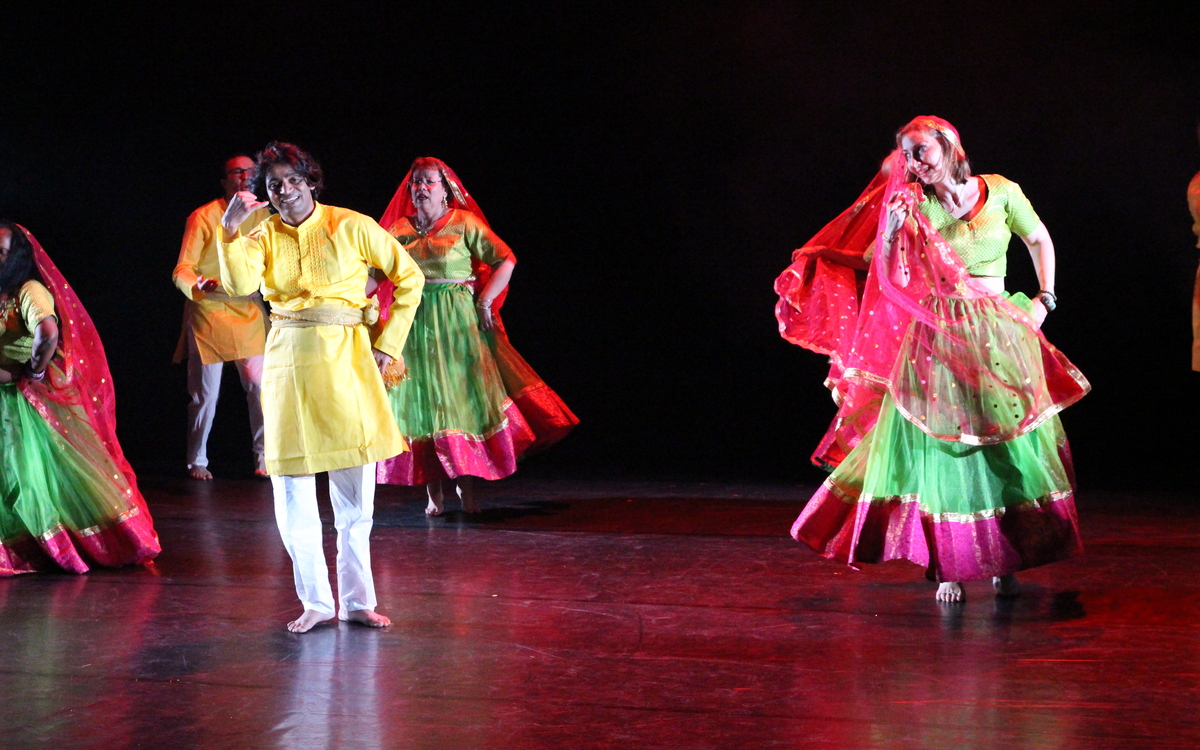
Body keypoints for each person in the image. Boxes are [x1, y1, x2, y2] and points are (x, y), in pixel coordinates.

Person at [775, 117, 1089, 602]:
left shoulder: (1001, 191)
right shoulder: (912, 205)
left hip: (998, 332)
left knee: (1007, 447)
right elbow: (894, 281)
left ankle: (1007, 556)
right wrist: (891, 231)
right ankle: (950, 564)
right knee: (946, 451)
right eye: (906, 155)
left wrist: (1045, 299)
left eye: (920, 151)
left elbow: (1039, 240)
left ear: (948, 146)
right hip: (937, 335)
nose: (912, 163)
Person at [218, 142, 424, 632]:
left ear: (311, 181)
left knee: (355, 497)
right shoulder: (261, 233)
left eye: (293, 180)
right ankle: (315, 601)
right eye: (274, 185)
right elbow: (238, 285)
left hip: (347, 361)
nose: (285, 190)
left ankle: (357, 602)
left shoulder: (351, 225)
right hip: (289, 361)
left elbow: (409, 276)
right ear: (264, 193)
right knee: (292, 492)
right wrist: (229, 232)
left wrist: (388, 343)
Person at [373, 157, 578, 515]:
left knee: (457, 402)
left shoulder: (464, 223)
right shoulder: (397, 230)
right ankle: (432, 497)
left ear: (444, 188)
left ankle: (467, 493)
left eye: (429, 182)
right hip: (411, 326)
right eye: (416, 183)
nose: (421, 188)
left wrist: (485, 302)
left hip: (456, 327)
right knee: (419, 404)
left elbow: (506, 259)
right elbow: (374, 275)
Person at [0, 219, 160, 575]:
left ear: (16, 257)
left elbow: (47, 330)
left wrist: (35, 371)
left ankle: (64, 547)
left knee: (30, 479)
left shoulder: (28, 290)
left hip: (17, 402)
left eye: (1, 251)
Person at [173, 155, 270, 479]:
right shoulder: (203, 216)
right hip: (210, 309)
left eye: (250, 172)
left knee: (261, 386)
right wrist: (196, 284)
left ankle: (264, 458)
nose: (244, 176)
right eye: (237, 172)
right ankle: (196, 460)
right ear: (225, 181)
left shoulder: (264, 214)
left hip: (248, 308)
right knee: (206, 394)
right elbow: (181, 269)